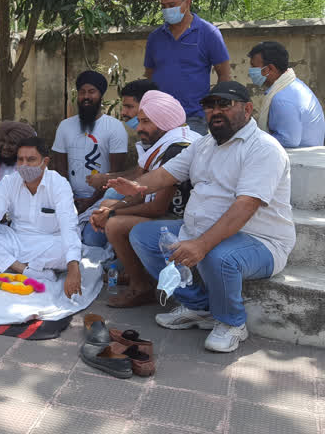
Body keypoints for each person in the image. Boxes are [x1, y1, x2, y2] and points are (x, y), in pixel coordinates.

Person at [109, 81, 295, 353]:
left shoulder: (264, 149)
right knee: (143, 235)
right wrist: (137, 188)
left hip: (260, 241)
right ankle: (199, 307)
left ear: (247, 109)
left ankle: (232, 323)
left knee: (218, 254)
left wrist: (201, 244)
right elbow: (165, 175)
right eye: (210, 106)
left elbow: (245, 205)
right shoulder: (205, 144)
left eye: (224, 104)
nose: (215, 111)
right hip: (201, 230)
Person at [89, 90, 200, 307]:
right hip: (164, 212)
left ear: (164, 121)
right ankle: (134, 272)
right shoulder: (163, 144)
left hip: (180, 219)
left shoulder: (177, 148)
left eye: (146, 122)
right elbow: (140, 192)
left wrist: (114, 212)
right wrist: (110, 208)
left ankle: (141, 286)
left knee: (114, 224)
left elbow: (157, 208)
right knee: (105, 206)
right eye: (139, 121)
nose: (139, 128)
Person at [0, 137, 83, 298]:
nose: (24, 165)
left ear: (45, 162)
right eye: (20, 159)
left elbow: (68, 226)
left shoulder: (59, 184)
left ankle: (8, 263)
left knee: (69, 251)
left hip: (49, 243)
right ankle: (26, 270)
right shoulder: (9, 182)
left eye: (31, 159)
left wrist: (74, 269)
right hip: (16, 240)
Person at [144, 0, 231, 135]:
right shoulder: (155, 38)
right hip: (158, 118)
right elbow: (150, 74)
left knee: (189, 157)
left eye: (172, 5)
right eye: (163, 6)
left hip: (193, 117)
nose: (167, 10)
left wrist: (214, 108)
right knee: (160, 159)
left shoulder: (208, 33)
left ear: (188, 2)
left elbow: (224, 74)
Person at [52, 70, 127, 247]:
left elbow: (115, 175)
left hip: (101, 200)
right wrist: (68, 198)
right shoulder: (65, 126)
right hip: (68, 198)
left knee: (91, 240)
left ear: (101, 95)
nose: (86, 96)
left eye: (91, 92)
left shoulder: (114, 127)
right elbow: (59, 168)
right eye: (82, 92)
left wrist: (90, 201)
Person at [87, 79, 160, 200]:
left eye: (129, 107)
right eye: (123, 107)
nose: (123, 113)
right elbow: (140, 170)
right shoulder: (148, 138)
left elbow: (144, 177)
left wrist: (106, 179)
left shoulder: (170, 142)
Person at [247, 41, 325, 147]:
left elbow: (289, 140)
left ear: (270, 68)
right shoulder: (293, 85)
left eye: (254, 67)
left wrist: (254, 139)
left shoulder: (281, 99)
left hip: (300, 160)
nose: (250, 72)